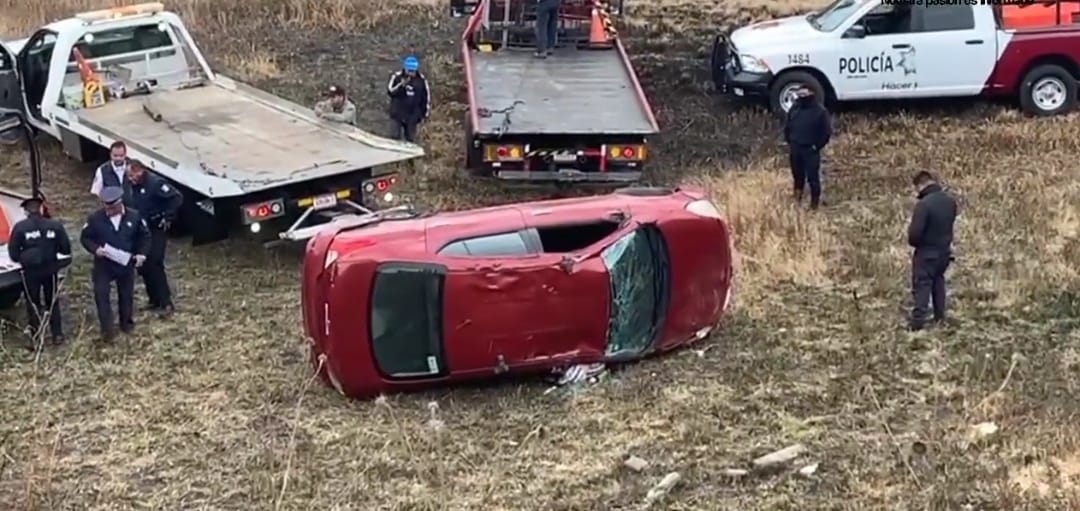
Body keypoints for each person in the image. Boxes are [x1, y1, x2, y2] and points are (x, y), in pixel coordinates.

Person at [80, 186, 150, 342]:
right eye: (106, 207)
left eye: (112, 208)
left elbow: (144, 237)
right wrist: (95, 249)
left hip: (125, 263)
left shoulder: (134, 216)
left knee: (126, 295)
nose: (108, 211)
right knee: (101, 294)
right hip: (104, 264)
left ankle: (126, 323)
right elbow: (85, 238)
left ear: (119, 204)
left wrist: (141, 254)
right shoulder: (95, 218)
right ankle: (107, 329)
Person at [7, 195, 71, 346]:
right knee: (53, 301)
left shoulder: (20, 227)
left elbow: (13, 254)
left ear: (26, 211)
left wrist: (25, 257)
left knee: (32, 302)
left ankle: (36, 336)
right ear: (41, 209)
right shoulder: (55, 225)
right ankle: (57, 334)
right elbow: (65, 248)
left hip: (31, 272)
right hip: (50, 268)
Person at [125, 160, 182, 315]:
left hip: (155, 228)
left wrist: (168, 217)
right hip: (140, 230)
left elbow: (176, 197)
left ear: (140, 171)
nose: (130, 179)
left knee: (155, 261)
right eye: (128, 176)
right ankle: (154, 299)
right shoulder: (131, 186)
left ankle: (166, 301)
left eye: (132, 175)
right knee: (143, 264)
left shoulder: (155, 183)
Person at [907, 171, 958, 331]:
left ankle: (917, 323)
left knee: (922, 285)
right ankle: (940, 317)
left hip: (926, 253)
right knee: (938, 282)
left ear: (921, 185)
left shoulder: (924, 205)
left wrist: (915, 243)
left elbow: (914, 235)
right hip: (944, 252)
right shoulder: (950, 202)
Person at [783, 87, 832, 209]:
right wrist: (790, 141)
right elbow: (787, 126)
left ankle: (814, 204)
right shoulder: (795, 109)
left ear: (812, 94)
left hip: (810, 150)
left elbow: (826, 132)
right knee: (797, 176)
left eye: (804, 93)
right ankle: (797, 201)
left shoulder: (820, 111)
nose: (801, 96)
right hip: (795, 148)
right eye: (799, 94)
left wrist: (816, 146)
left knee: (813, 178)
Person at [386, 55, 430, 143]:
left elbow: (425, 98)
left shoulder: (421, 80)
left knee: (411, 140)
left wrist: (424, 114)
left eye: (413, 71)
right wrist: (401, 85)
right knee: (394, 139)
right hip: (397, 114)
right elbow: (390, 91)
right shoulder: (397, 77)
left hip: (412, 115)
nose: (411, 73)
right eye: (409, 70)